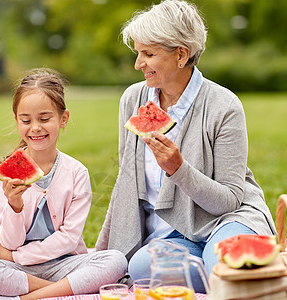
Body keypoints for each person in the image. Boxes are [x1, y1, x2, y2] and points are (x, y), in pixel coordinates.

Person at [95, 0, 277, 293]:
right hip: (176, 237)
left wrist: (179, 170)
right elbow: (126, 183)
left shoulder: (224, 105)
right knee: (141, 267)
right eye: (138, 53)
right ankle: (236, 279)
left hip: (227, 219)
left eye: (148, 54)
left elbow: (229, 200)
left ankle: (233, 272)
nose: (138, 64)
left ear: (181, 55)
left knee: (220, 259)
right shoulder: (132, 100)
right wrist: (101, 253)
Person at [0, 68, 127, 300]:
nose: (35, 128)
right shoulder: (3, 177)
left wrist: (15, 258)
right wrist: (14, 206)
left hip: (63, 262)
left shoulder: (77, 173)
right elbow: (8, 243)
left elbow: (69, 238)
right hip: (22, 270)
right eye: (26, 120)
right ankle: (61, 291)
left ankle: (27, 297)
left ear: (63, 119)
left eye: (44, 119)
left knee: (115, 260)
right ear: (17, 121)